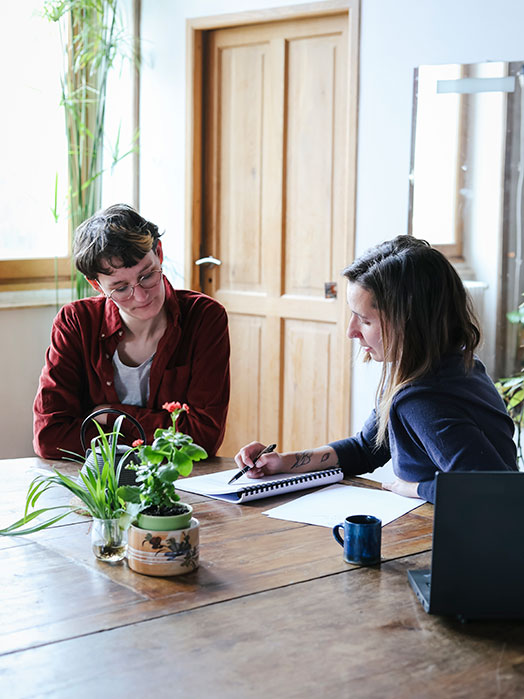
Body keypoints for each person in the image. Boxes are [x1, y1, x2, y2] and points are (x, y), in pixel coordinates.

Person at [235, 235, 517, 504]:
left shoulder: (425, 400)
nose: (351, 332)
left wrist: (417, 488)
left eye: (365, 320)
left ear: (409, 322)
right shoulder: (442, 366)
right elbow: (366, 448)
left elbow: (493, 491)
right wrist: (284, 462)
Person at [34, 204, 230, 459]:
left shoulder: (204, 317)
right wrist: (155, 431)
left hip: (180, 484)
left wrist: (112, 415)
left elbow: (204, 438)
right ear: (96, 285)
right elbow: (49, 437)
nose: (140, 296)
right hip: (96, 485)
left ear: (158, 252)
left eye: (147, 275)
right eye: (121, 288)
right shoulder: (76, 322)